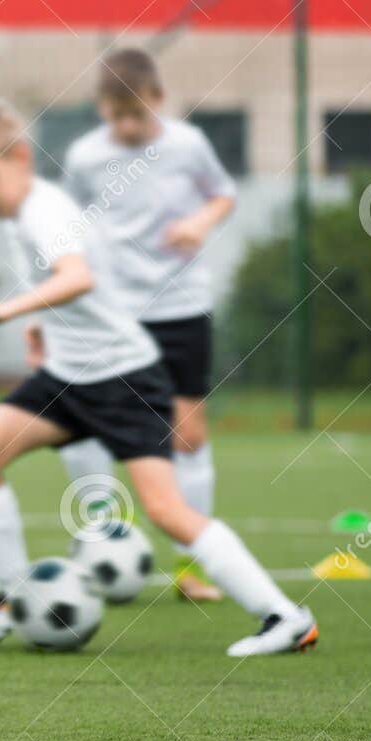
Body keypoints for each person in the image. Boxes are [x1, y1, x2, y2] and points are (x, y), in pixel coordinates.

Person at [0, 98, 316, 658]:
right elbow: (68, 288)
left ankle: (285, 617)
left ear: (20, 156)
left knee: (166, 511)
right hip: (67, 378)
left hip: (123, 380)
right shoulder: (24, 214)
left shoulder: (44, 208)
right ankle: (14, 599)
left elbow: (78, 277)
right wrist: (43, 327)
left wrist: (4, 309)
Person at [57, 48, 240, 602]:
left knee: (188, 434)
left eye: (137, 114)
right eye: (117, 117)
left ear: (157, 99)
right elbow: (66, 226)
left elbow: (224, 194)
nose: (128, 126)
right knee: (85, 422)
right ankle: (100, 545)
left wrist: (199, 220)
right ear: (100, 109)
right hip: (111, 312)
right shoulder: (86, 156)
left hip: (181, 307)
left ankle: (193, 567)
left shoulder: (188, 145)